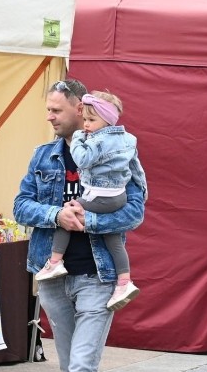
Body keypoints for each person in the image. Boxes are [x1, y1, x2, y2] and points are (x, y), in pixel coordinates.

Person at [13, 79, 146, 372]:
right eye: (48, 111)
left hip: (98, 277)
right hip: (53, 276)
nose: (50, 117)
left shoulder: (120, 151)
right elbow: (20, 205)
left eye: (56, 110)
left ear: (80, 109)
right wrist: (57, 216)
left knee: (83, 369)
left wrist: (91, 220)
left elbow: (136, 211)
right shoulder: (43, 156)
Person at [34, 90, 147, 311]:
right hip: (117, 197)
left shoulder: (98, 140)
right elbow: (137, 170)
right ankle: (124, 281)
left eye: (91, 120)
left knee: (68, 212)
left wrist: (78, 138)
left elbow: (83, 159)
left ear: (107, 120)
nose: (85, 125)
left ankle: (55, 262)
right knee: (113, 240)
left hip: (99, 196)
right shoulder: (127, 140)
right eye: (85, 119)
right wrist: (143, 190)